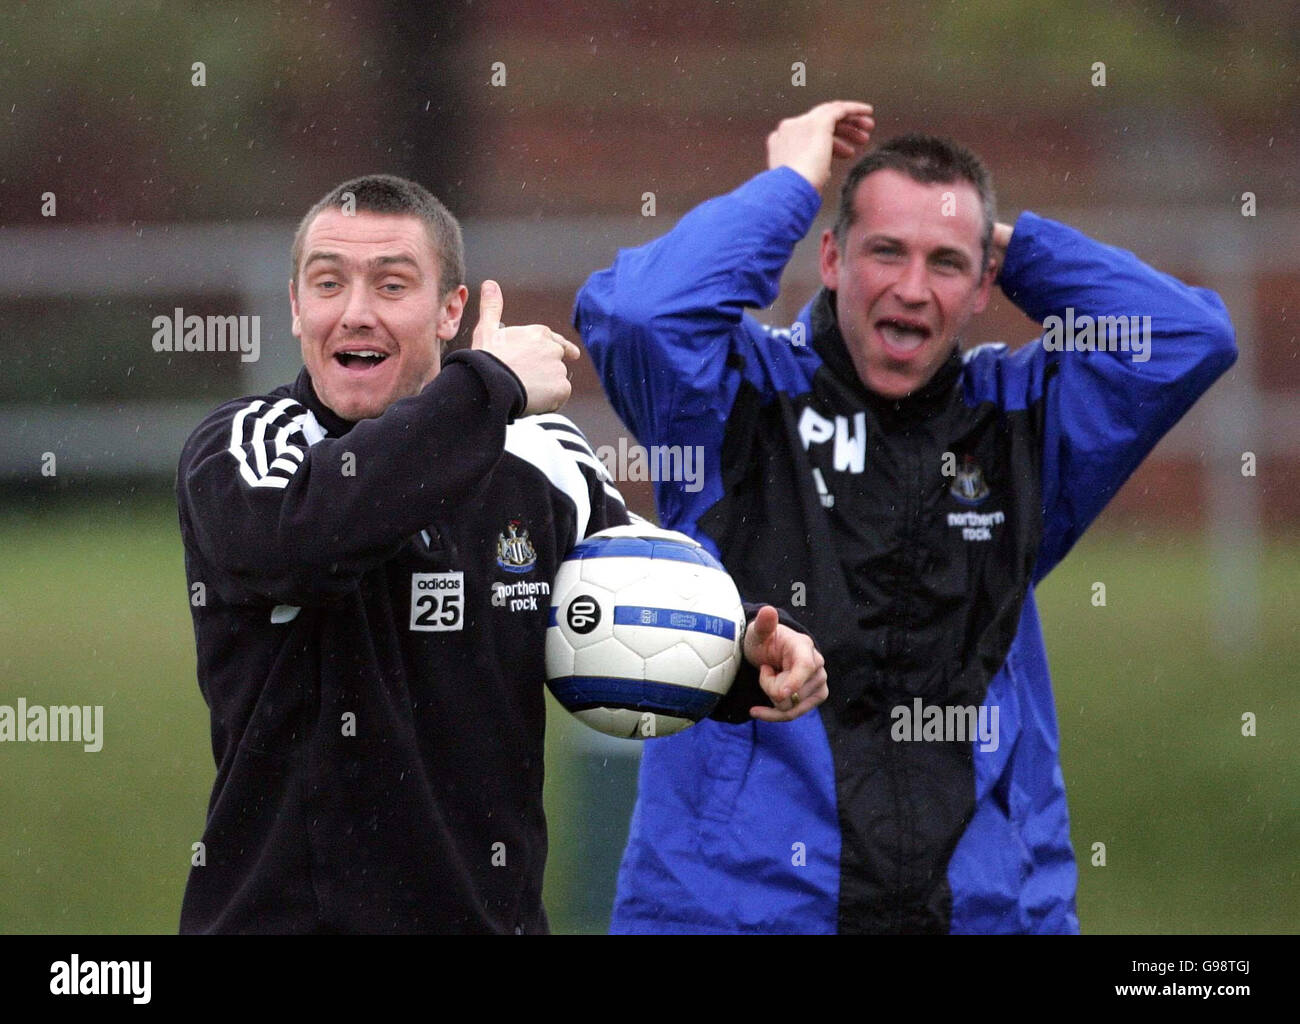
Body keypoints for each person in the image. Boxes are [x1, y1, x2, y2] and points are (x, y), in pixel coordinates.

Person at [575, 101, 1237, 934]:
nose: (913, 289)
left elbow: (1188, 338)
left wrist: (1017, 246)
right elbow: (641, 311)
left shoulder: (1021, 421)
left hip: (989, 912)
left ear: (984, 285)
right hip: (736, 909)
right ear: (830, 257)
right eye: (885, 251)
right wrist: (789, 184)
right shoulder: (730, 398)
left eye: (947, 263)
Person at [176, 174, 826, 934]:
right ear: (295, 306)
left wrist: (748, 651)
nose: (356, 312)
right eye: (328, 283)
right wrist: (485, 388)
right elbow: (305, 541)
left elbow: (626, 604)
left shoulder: (543, 459)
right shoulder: (247, 450)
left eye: (392, 284)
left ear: (452, 310)